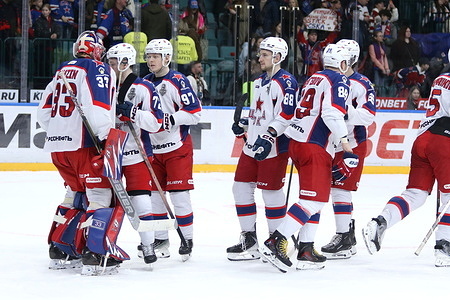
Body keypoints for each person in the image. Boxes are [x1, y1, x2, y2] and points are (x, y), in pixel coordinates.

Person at [259, 43, 356, 272]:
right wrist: (345, 143)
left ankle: (306, 249)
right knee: (313, 201)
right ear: (343, 64)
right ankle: (276, 240)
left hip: (298, 142)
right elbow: (332, 113)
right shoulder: (339, 80)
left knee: (313, 199)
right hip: (315, 146)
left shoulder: (315, 77)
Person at [37, 31, 126, 276]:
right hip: (85, 146)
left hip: (58, 148)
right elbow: (98, 108)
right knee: (100, 194)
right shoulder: (97, 68)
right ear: (97, 50)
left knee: (74, 194)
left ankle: (61, 249)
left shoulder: (61, 71)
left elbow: (43, 115)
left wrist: (60, 130)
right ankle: (95, 255)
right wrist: (105, 138)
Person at [362, 54, 450, 267]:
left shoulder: (441, 78)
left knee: (415, 194)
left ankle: (381, 221)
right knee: (448, 196)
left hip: (422, 139)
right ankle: (443, 246)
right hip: (443, 140)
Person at [226, 37, 298, 261]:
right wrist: (244, 125)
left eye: (265, 54)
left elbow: (287, 114)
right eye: (261, 54)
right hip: (252, 146)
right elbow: (261, 114)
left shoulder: (287, 82)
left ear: (277, 57)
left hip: (274, 147)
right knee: (240, 188)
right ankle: (250, 240)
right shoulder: (259, 82)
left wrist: (270, 135)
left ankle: (276, 241)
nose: (260, 58)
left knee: (271, 193)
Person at [315, 39, 376, 260]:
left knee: (340, 189)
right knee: (329, 188)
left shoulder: (362, 84)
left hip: (352, 144)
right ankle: (346, 235)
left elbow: (368, 116)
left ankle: (344, 237)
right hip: (329, 143)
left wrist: (342, 111)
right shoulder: (329, 78)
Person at [143, 39, 201, 261]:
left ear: (167, 58)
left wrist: (169, 119)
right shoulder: (145, 82)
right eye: (148, 56)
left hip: (177, 148)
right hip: (154, 149)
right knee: (155, 197)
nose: (150, 60)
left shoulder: (178, 80)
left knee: (179, 196)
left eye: (155, 56)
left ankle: (187, 238)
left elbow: (195, 112)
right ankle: (161, 238)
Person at [106, 42, 164, 265]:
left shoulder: (143, 88)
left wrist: (134, 113)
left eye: (113, 64)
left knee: (141, 202)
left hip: (135, 153)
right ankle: (106, 245)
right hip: (110, 151)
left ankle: (148, 245)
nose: (109, 68)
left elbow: (156, 123)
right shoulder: (106, 86)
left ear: (124, 62)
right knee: (106, 201)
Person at [368, 30, 390, 97]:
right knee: (376, 85)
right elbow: (374, 59)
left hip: (382, 68)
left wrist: (387, 68)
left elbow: (384, 57)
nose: (381, 37)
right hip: (376, 68)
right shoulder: (372, 46)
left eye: (382, 36)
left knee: (382, 85)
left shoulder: (383, 46)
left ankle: (381, 98)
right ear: (375, 37)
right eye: (380, 36)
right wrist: (382, 68)